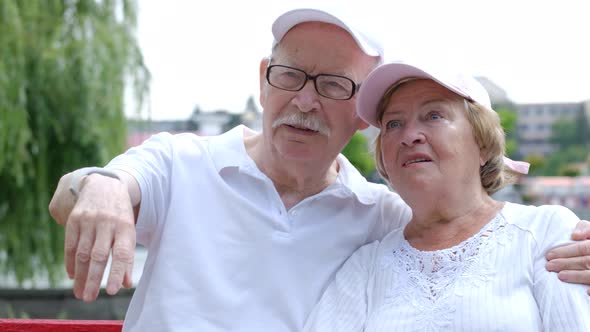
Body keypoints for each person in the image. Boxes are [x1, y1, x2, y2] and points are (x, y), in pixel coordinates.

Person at [47, 8, 590, 332]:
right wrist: (99, 185)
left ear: (356, 117)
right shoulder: (178, 161)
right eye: (290, 76)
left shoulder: (379, 217)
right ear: (263, 80)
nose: (305, 101)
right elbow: (71, 199)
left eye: (332, 84)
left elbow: (461, 224)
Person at [303, 61, 590, 331]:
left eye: (434, 116)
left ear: (483, 144)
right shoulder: (364, 268)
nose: (409, 135)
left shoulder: (543, 232)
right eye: (393, 124)